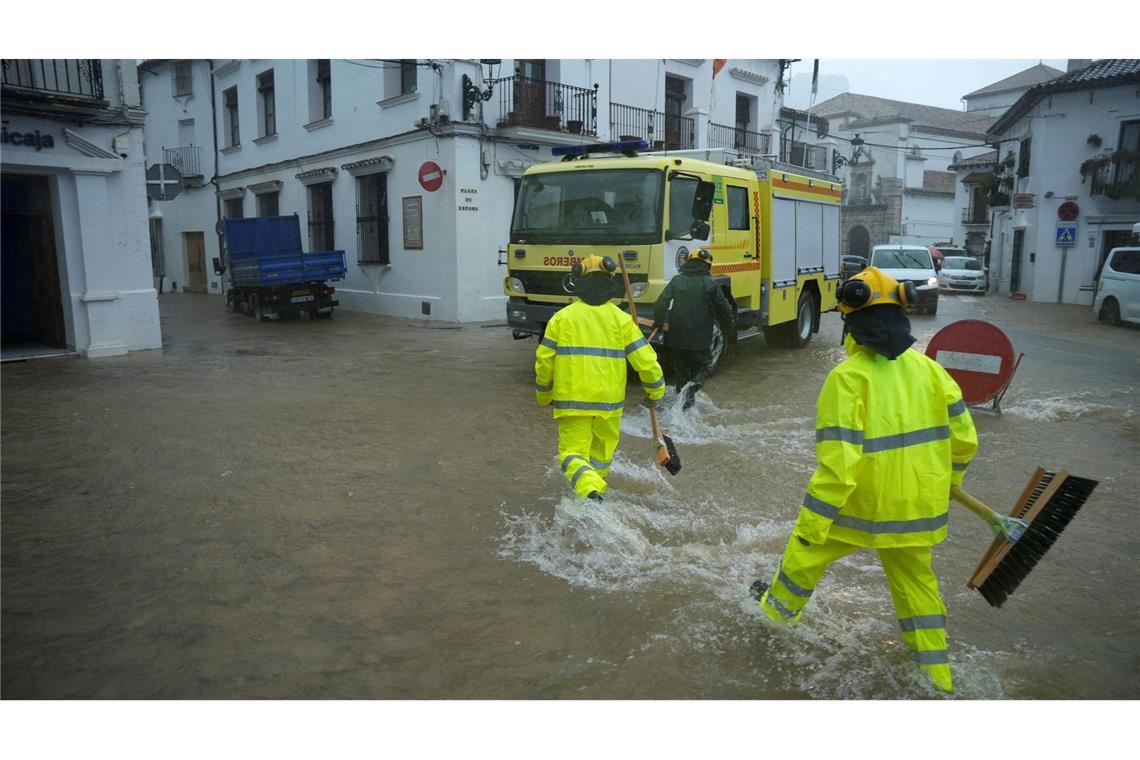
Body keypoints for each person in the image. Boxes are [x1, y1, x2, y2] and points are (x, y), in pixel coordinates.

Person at [749, 266, 978, 693]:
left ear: (851, 323)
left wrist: (812, 526)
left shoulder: (847, 378)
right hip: (917, 511)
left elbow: (839, 466)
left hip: (858, 507)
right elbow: (965, 441)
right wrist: (950, 483)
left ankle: (772, 620)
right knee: (918, 590)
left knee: (803, 560)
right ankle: (937, 680)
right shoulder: (932, 372)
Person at [535, 255, 666, 501]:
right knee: (601, 456)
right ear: (610, 282)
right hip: (609, 405)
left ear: (578, 281)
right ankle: (593, 496)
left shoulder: (561, 319)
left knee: (571, 454)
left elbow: (544, 362)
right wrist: (655, 391)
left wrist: (544, 395)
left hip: (571, 402)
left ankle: (588, 491)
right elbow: (646, 361)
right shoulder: (621, 320)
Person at [651, 249, 733, 410]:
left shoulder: (676, 280)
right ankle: (691, 389)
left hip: (675, 337)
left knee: (681, 372)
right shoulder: (710, 283)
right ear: (707, 266)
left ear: (688, 263)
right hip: (700, 338)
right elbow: (725, 309)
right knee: (705, 366)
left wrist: (659, 322)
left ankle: (682, 409)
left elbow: (660, 304)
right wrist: (728, 326)